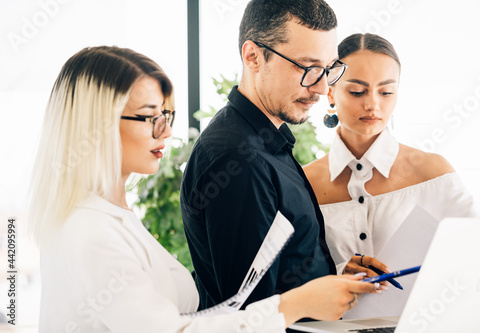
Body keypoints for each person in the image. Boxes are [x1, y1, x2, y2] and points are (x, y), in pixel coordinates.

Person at [28, 46, 377, 333]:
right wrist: (294, 305)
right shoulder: (88, 229)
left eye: (168, 116)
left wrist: (323, 282)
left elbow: (189, 318)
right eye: (151, 117)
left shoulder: (115, 219)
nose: (165, 132)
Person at [180, 0, 361, 310]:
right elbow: (249, 313)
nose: (320, 88)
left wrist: (335, 276)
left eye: (328, 69)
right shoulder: (238, 162)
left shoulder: (264, 143)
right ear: (253, 57)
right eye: (308, 68)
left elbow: (276, 275)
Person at [304, 33, 479, 275]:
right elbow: (283, 277)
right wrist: (336, 274)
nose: (373, 104)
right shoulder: (302, 184)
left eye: (386, 92)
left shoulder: (432, 173)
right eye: (357, 91)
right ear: (331, 93)